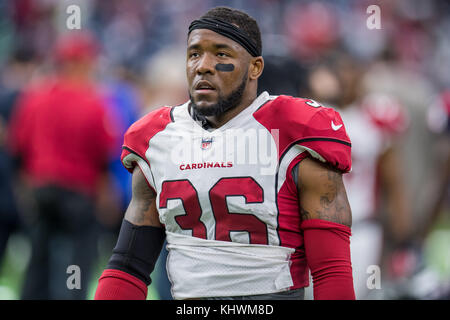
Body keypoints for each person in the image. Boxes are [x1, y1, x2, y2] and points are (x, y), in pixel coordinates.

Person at [95, 6, 355, 300]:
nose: (203, 66)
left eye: (221, 54)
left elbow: (331, 269)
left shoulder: (294, 132)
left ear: (255, 67)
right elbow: (128, 265)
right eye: (194, 54)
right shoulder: (158, 137)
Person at [8, 31, 117, 299]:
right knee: (78, 261)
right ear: (80, 64)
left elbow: (17, 147)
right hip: (79, 192)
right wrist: (107, 196)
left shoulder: (35, 98)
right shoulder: (93, 102)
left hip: (41, 187)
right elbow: (104, 155)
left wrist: (24, 187)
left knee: (39, 258)